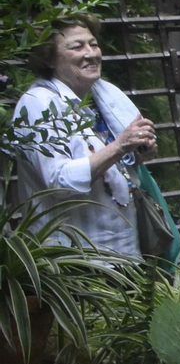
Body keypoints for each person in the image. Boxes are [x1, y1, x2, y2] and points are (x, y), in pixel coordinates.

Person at [11, 15, 161, 259]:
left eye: (93, 44)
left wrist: (138, 153)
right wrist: (120, 146)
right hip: (78, 265)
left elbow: (110, 166)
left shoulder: (102, 98)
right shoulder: (38, 104)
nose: (91, 53)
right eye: (77, 46)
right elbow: (59, 182)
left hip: (122, 253)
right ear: (49, 58)